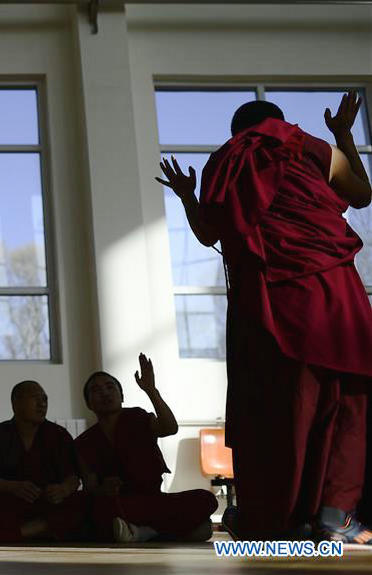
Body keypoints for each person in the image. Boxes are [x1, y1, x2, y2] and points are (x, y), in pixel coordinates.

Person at [157, 93, 372, 542]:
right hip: (332, 289)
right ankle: (334, 514)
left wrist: (186, 196)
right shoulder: (309, 146)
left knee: (276, 407)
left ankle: (280, 517)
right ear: (281, 122)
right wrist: (344, 135)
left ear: (236, 132)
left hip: (267, 302)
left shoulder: (224, 162)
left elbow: (208, 235)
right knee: (346, 395)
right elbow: (362, 194)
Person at [76, 355, 218, 542]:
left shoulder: (138, 417)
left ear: (122, 396)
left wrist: (151, 390)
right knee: (94, 509)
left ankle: (143, 532)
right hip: (120, 503)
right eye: (96, 390)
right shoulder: (84, 441)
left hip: (152, 500)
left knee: (206, 499)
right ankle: (160, 531)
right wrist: (104, 489)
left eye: (110, 387)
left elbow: (170, 428)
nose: (105, 393)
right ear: (88, 403)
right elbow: (90, 488)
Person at [0, 380, 91, 543]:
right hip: (12, 501)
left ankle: (11, 534)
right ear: (15, 403)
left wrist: (63, 489)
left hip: (47, 502)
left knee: (82, 501)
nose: (42, 404)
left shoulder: (58, 434)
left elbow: (73, 478)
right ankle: (40, 531)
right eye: (35, 398)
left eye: (44, 399)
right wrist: (13, 487)